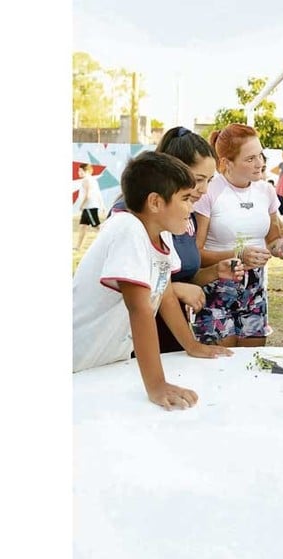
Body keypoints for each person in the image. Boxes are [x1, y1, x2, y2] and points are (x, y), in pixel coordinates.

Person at [72, 151, 233, 410]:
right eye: (185, 199)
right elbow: (140, 308)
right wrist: (157, 385)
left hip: (106, 362)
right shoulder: (127, 228)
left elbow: (165, 294)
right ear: (156, 202)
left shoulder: (161, 232)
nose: (191, 208)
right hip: (77, 359)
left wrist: (191, 345)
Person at [108, 127, 246, 354]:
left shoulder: (182, 215)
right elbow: (135, 288)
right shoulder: (132, 217)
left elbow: (174, 276)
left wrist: (214, 271)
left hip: (172, 331)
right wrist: (176, 290)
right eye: (198, 179)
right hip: (130, 335)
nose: (204, 190)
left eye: (210, 180)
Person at [193, 123, 283, 347]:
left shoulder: (265, 191)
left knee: (252, 365)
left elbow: (273, 241)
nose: (260, 164)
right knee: (221, 368)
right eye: (250, 159)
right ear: (226, 163)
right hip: (217, 289)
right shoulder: (209, 192)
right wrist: (238, 254)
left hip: (254, 290)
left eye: (261, 155)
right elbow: (195, 254)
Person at [74, 163, 106, 252]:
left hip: (89, 207)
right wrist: (102, 205)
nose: (78, 173)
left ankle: (109, 238)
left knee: (97, 226)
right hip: (88, 207)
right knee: (82, 226)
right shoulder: (93, 180)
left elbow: (87, 195)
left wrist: (81, 205)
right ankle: (78, 247)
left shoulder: (86, 180)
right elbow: (98, 193)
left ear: (86, 171)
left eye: (80, 171)